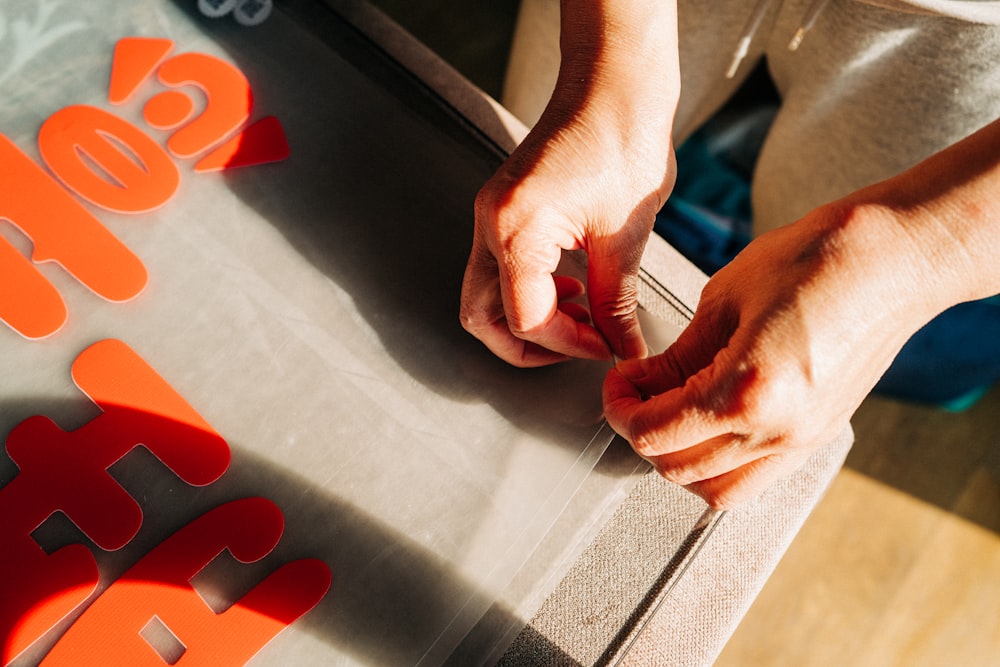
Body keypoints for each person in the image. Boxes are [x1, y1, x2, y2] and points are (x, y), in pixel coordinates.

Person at [459, 0, 1000, 508]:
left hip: (964, 35)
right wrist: (604, 65)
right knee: (529, 179)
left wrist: (925, 247)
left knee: (809, 251)